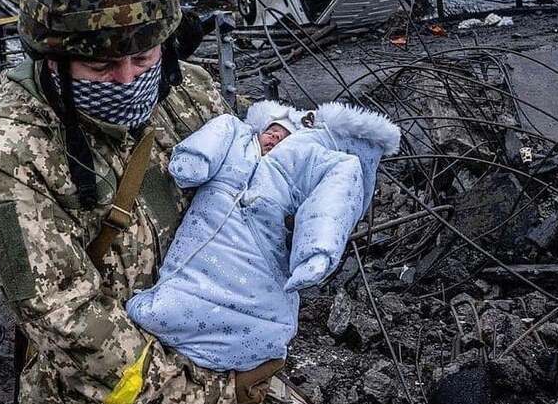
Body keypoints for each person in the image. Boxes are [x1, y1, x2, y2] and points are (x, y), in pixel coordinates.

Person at [0, 0, 332, 404]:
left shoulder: (187, 96)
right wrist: (216, 397)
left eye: (143, 58)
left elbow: (250, 202)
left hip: (209, 348)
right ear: (52, 60)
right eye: (101, 64)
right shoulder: (9, 156)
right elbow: (68, 323)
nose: (128, 80)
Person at [126, 100, 401, 372]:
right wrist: (195, 159)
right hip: (206, 239)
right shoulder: (235, 136)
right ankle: (169, 319)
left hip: (260, 247)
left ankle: (251, 348)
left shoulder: (296, 163)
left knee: (264, 311)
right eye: (271, 129)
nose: (274, 137)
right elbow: (217, 133)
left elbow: (334, 193)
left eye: (284, 135)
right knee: (180, 293)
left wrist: (318, 250)